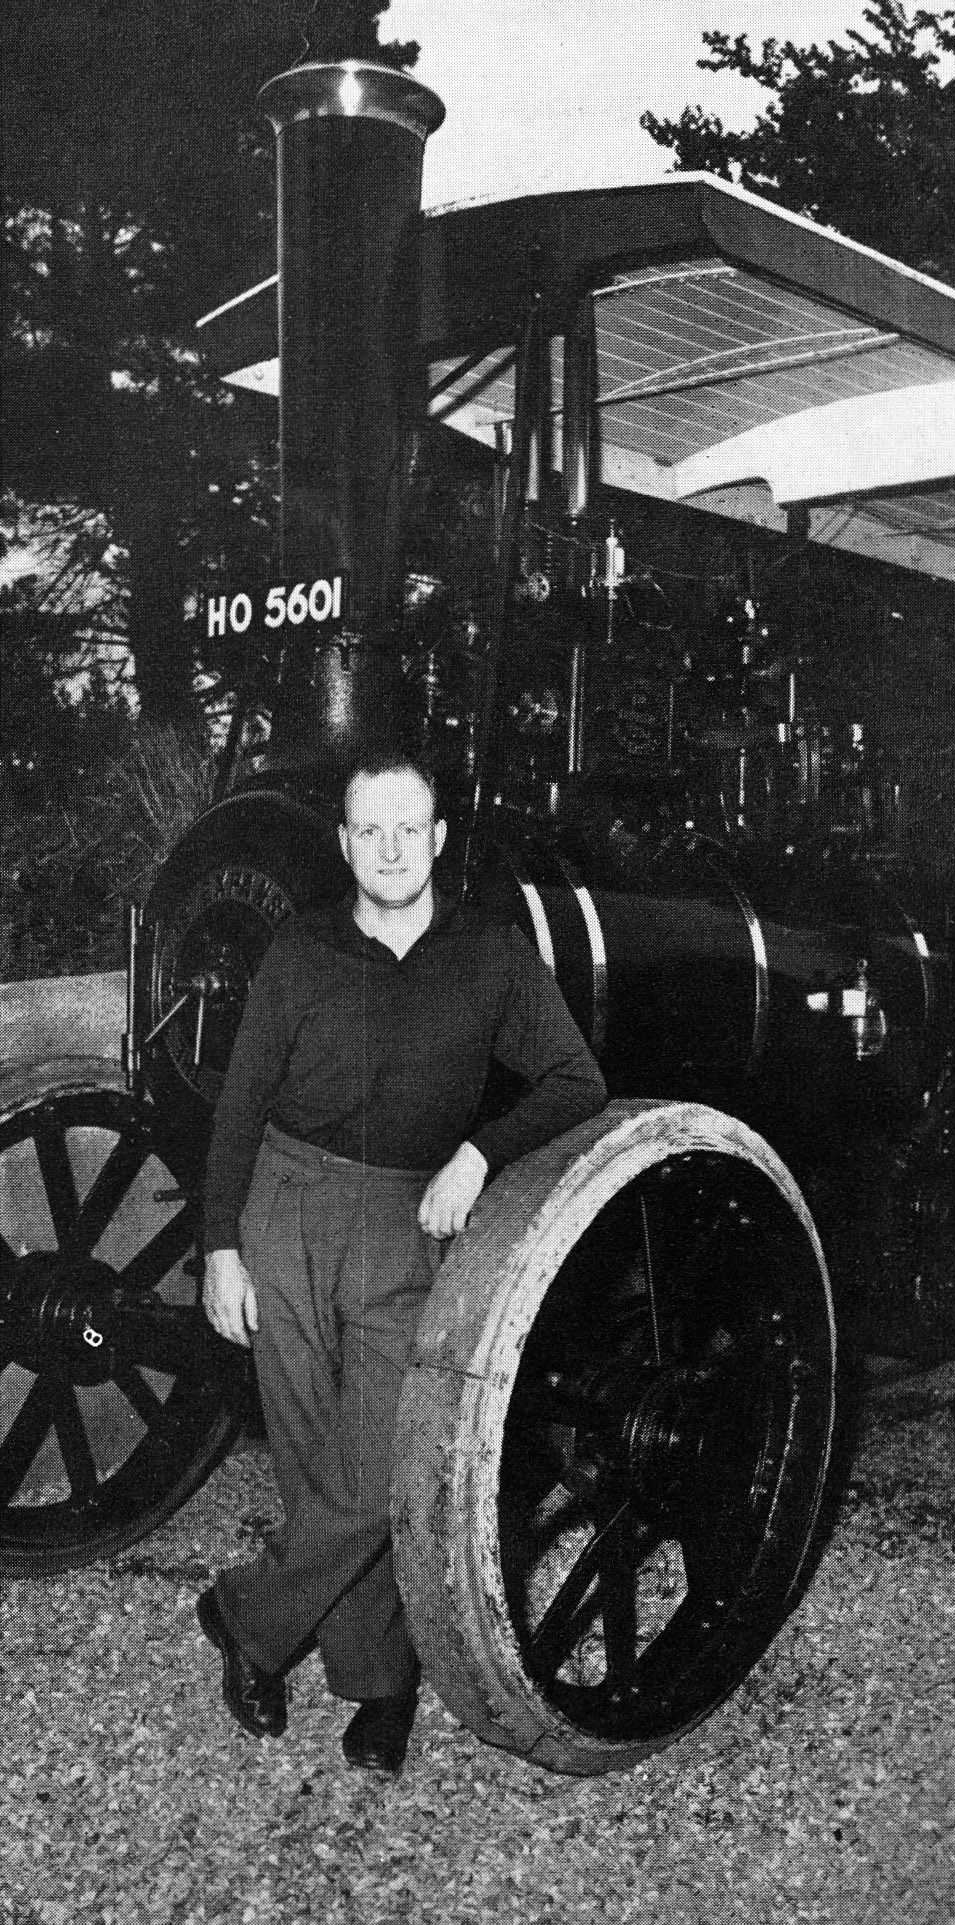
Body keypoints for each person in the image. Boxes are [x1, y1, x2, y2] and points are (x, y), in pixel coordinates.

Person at [197, 749, 607, 1775]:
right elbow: (239, 1105)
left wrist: (479, 1152)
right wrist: (216, 1248)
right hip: (284, 1209)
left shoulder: (491, 954)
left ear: (434, 840)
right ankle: (377, 1687)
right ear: (342, 843)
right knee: (306, 1454)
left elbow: (574, 1080)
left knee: (377, 1467)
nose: (387, 847)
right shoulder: (298, 950)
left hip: (403, 1217)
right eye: (366, 829)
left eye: (405, 828)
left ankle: (247, 1617)